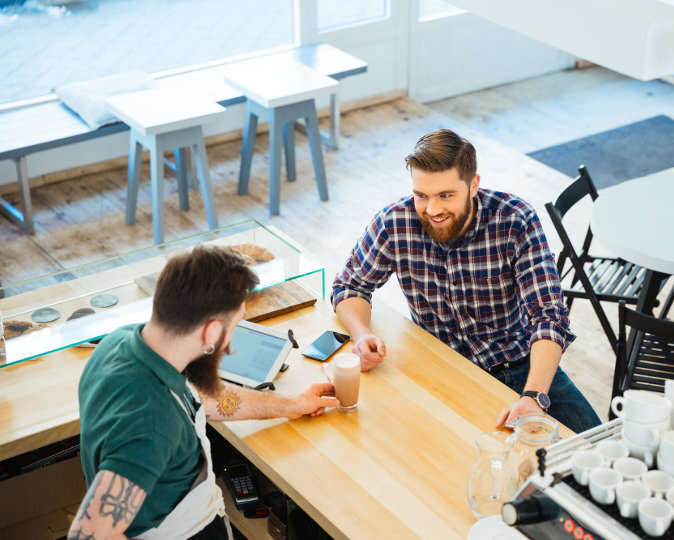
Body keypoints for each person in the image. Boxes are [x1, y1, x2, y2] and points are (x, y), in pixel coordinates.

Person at [331, 129, 601, 433]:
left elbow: (548, 315)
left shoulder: (515, 220)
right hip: (440, 369)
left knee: (599, 447)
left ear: (474, 185)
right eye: (422, 195)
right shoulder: (394, 222)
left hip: (520, 363)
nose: (432, 210)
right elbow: (350, 286)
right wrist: (361, 332)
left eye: (446, 195)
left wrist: (534, 395)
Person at [68, 245, 338, 540]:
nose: (231, 342)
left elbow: (203, 399)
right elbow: (90, 535)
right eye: (235, 324)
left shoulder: (122, 343)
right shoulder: (151, 423)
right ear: (210, 333)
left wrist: (291, 405)